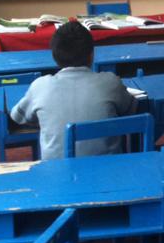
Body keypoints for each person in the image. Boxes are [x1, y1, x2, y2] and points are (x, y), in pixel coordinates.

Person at [11, 21, 137, 160]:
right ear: (92, 54)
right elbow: (130, 109)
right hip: (107, 172)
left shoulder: (40, 86)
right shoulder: (110, 82)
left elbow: (18, 117)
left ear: (54, 56)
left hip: (57, 174)